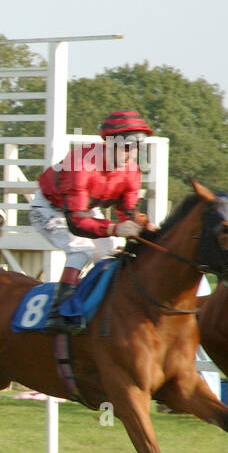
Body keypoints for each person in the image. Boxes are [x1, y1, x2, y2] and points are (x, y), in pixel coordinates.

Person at [29, 110, 157, 331]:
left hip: (84, 209)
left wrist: (144, 227)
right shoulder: (80, 164)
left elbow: (128, 212)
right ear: (110, 144)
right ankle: (58, 313)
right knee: (82, 251)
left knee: (107, 255)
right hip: (50, 209)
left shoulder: (131, 171)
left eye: (138, 147)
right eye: (128, 147)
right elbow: (76, 222)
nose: (133, 154)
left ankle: (100, 307)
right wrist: (115, 228)